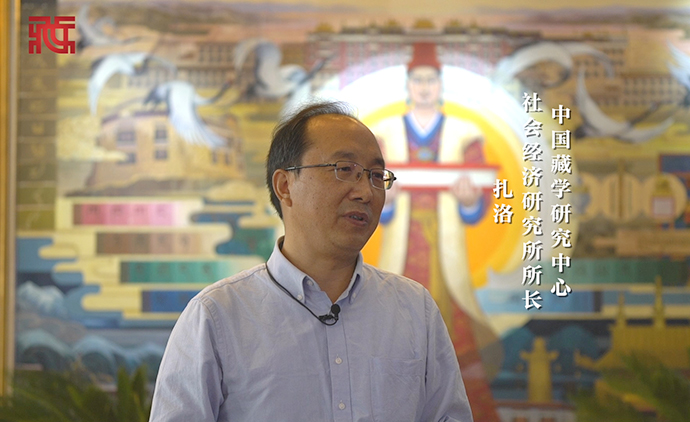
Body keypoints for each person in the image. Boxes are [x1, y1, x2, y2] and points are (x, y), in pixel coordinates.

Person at [149, 101, 473, 422]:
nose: (365, 192)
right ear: (285, 186)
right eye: (344, 169)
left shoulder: (414, 309)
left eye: (376, 175)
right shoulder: (216, 316)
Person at [370, 43, 500, 421]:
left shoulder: (464, 134)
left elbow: (479, 201)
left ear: (440, 85)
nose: (424, 87)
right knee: (393, 326)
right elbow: (370, 193)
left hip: (445, 249)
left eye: (431, 80)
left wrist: (469, 200)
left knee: (452, 332)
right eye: (418, 80)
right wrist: (386, 202)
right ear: (408, 85)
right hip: (403, 245)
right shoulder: (384, 134)